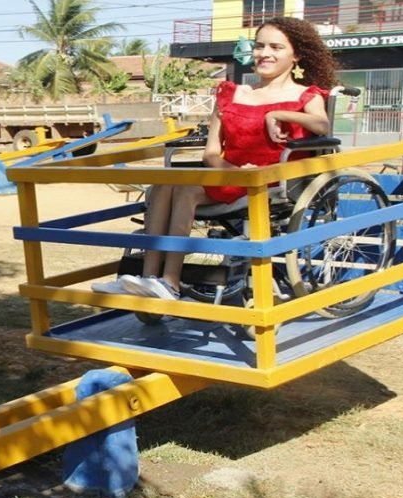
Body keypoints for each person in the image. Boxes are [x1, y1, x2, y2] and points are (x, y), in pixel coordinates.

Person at [99, 17, 335, 300]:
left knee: (186, 191)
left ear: (296, 55)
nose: (264, 53)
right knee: (163, 185)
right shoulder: (232, 94)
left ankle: (170, 282)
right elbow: (211, 153)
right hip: (230, 174)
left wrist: (277, 114)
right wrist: (234, 171)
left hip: (273, 180)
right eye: (259, 46)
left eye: (276, 47)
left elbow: (322, 126)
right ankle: (147, 278)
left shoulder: (305, 95)